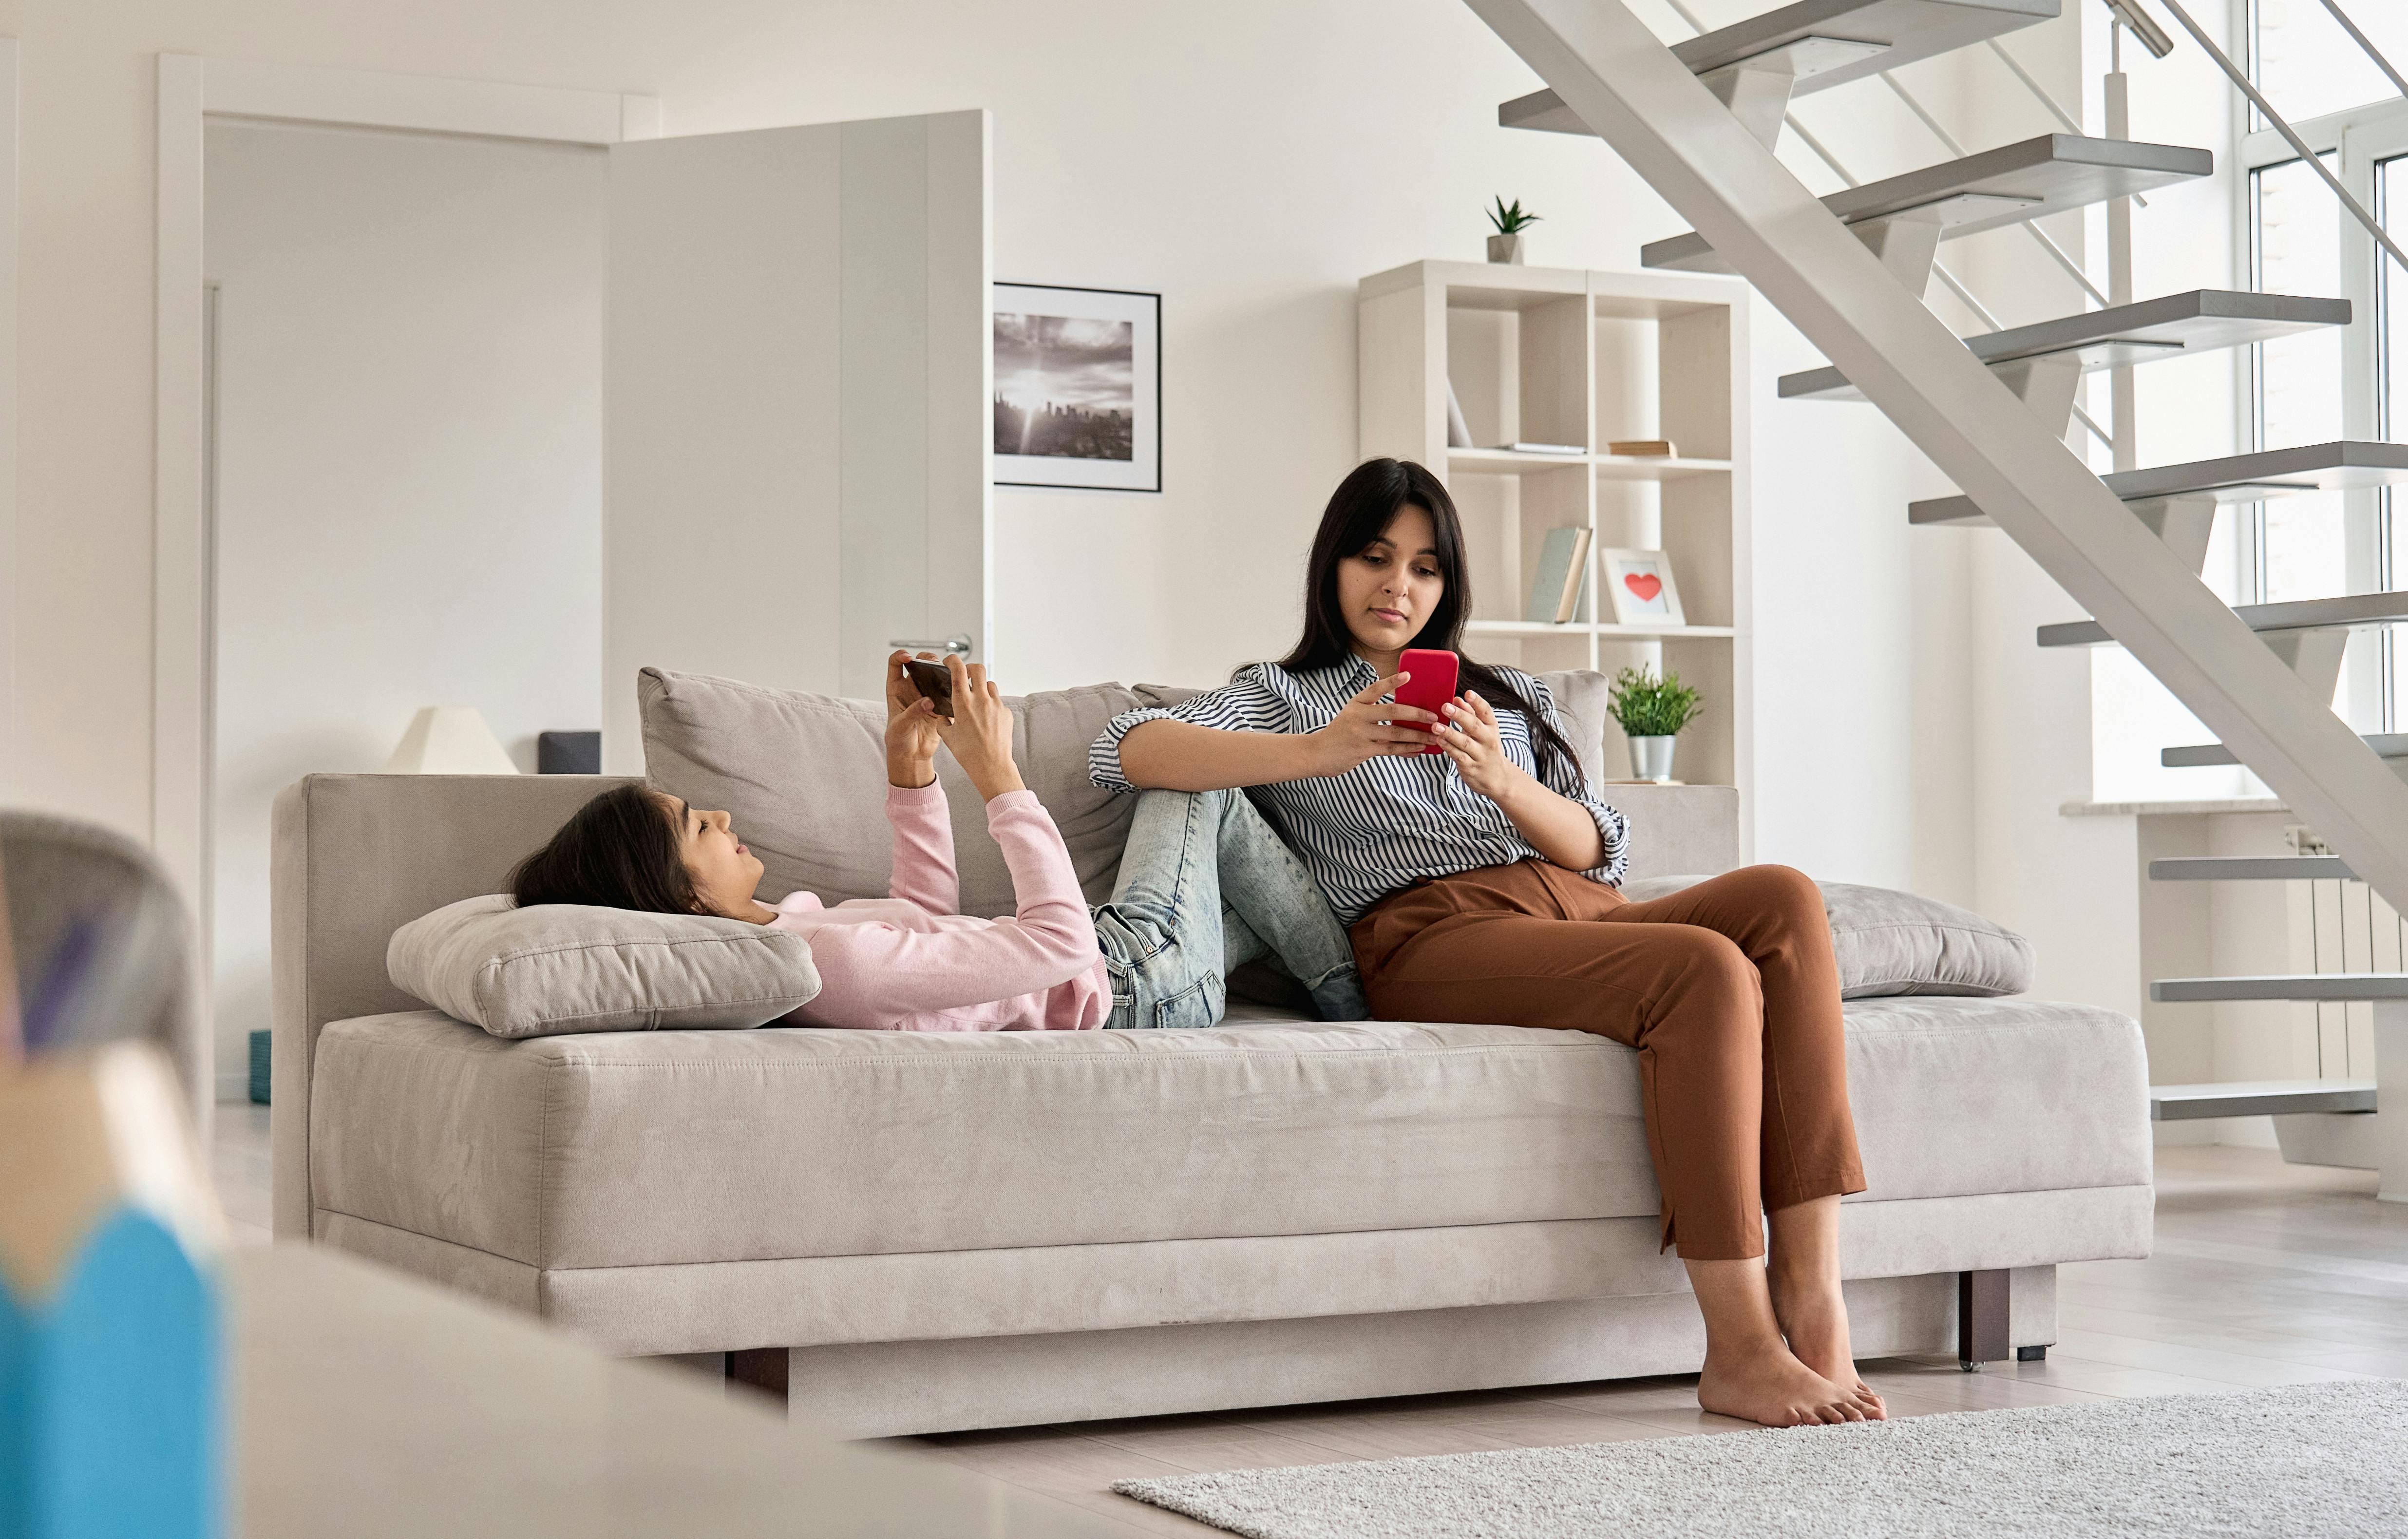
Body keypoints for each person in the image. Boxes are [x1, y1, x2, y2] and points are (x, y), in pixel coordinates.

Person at [1087, 457, 1877, 1428]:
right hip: (1430, 935)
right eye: (1375, 557)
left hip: (1577, 912)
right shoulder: (1285, 695)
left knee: (1786, 901)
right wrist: (1320, 751)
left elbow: (1602, 843)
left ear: (1448, 586)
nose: (1398, 585)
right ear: (1332, 565)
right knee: (1705, 966)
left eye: (1425, 568)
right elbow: (1124, 746)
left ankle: (1818, 1309)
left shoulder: (1502, 697)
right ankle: (1742, 1349)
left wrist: (1504, 779)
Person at [510, 650, 1365, 1033]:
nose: (726, 819)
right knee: (1185, 778)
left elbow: (925, 917)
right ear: (682, 896)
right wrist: (999, 774)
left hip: (1126, 962)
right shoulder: (824, 969)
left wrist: (909, 769)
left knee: (1250, 883)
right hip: (1131, 981)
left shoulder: (797, 932)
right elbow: (1061, 945)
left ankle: (1336, 971)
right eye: (701, 826)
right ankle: (1354, 996)